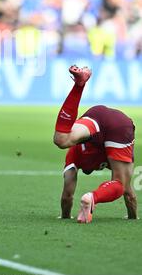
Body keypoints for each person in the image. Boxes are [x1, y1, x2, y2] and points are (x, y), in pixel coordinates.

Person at [53, 65, 138, 223]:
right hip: (110, 119)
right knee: (121, 183)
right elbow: (129, 193)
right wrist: (133, 217)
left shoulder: (74, 155)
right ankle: (92, 197)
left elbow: (67, 195)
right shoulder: (107, 156)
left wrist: (65, 215)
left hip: (98, 119)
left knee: (62, 140)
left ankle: (79, 87)